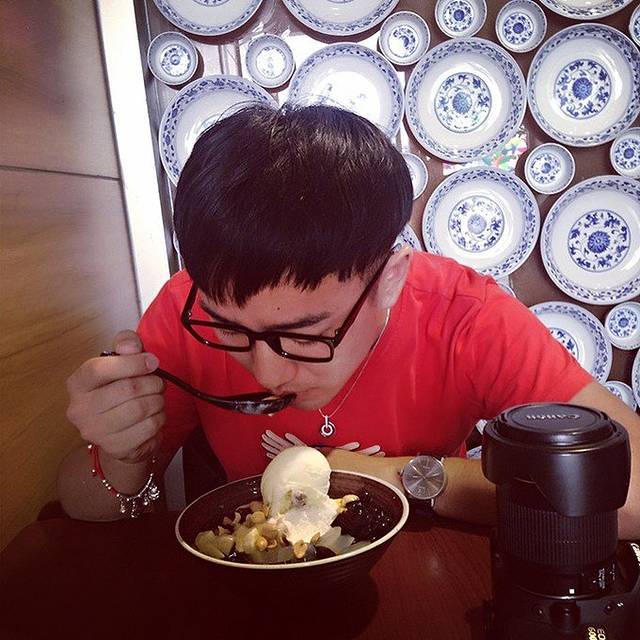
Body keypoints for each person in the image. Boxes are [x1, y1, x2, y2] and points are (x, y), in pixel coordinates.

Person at [58, 103, 640, 537]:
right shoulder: (188, 310)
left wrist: (404, 476)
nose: (267, 373)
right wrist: (122, 458)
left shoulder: (464, 315)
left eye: (308, 334)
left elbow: (633, 491)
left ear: (390, 280)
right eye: (232, 330)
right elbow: (82, 505)